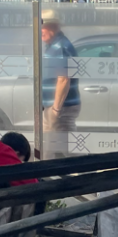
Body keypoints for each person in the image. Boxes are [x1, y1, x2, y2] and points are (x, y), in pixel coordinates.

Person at [40, 8, 80, 153]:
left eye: (43, 26)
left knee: (59, 150)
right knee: (51, 148)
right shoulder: (52, 46)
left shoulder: (60, 47)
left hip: (60, 108)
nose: (40, 30)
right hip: (54, 107)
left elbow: (63, 79)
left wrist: (55, 110)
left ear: (54, 27)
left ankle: (63, 175)